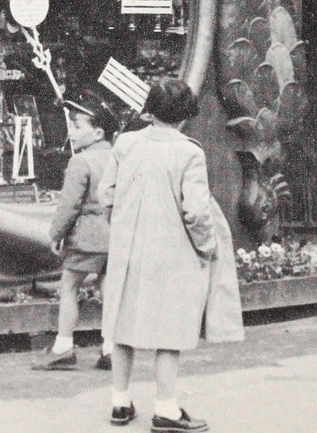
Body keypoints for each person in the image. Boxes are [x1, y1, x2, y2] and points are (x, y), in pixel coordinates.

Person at [98, 77, 243, 431]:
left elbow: (106, 194)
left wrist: (121, 223)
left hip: (128, 249)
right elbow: (196, 212)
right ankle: (165, 409)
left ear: (150, 109)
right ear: (186, 113)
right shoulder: (189, 152)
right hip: (172, 253)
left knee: (122, 326)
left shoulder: (126, 143)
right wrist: (206, 247)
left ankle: (120, 402)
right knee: (169, 330)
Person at [32, 90, 117, 371]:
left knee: (69, 285)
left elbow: (69, 205)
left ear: (98, 133)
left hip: (87, 238)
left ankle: (63, 346)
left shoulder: (80, 161)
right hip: (115, 236)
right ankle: (110, 349)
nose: (71, 131)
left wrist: (56, 234)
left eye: (77, 126)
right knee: (109, 288)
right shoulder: (118, 158)